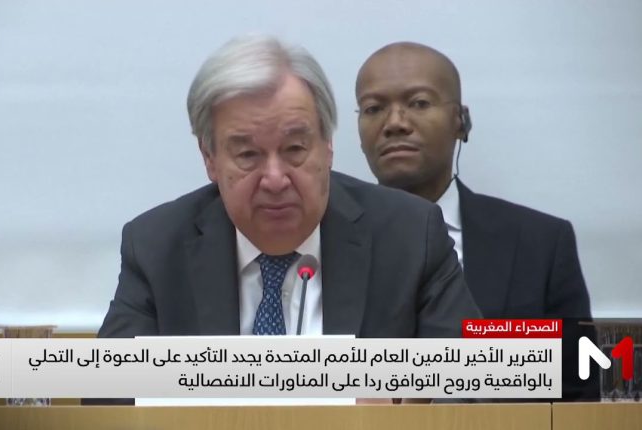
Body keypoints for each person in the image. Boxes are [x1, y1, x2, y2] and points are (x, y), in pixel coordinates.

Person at [98, 35, 479, 342]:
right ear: (209, 158)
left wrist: (388, 385)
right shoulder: (156, 247)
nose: (276, 179)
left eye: (295, 149)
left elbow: (477, 382)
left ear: (327, 145)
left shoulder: (410, 236)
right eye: (248, 155)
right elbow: (108, 391)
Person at [355, 42, 596, 399]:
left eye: (419, 103)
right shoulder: (324, 242)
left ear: (460, 120)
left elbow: (576, 389)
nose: (395, 123)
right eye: (374, 108)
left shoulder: (540, 243)